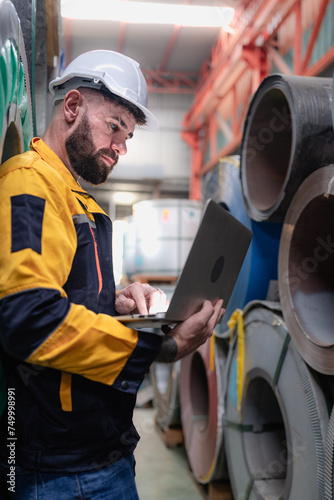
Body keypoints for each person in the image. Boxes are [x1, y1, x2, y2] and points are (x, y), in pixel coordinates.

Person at [0, 50, 225, 499]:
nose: (121, 147)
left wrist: (118, 299)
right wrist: (161, 346)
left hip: (99, 451)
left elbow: (66, 293)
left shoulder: (79, 201)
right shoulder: (31, 183)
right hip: (59, 469)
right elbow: (29, 318)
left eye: (128, 136)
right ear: (73, 107)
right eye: (115, 127)